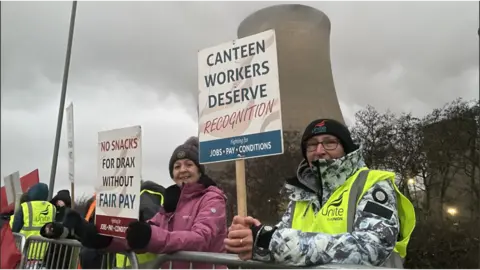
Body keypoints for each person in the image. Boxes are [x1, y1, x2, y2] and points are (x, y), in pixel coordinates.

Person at [225, 119, 416, 268]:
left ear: (346, 148)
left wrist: (269, 241)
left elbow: (372, 247)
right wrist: (256, 235)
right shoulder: (301, 196)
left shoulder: (372, 185)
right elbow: (284, 237)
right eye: (312, 144)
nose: (319, 151)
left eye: (329, 143)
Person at [12, 183, 56, 260]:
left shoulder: (25, 207)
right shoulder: (52, 208)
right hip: (43, 251)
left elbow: (15, 228)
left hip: (25, 249)